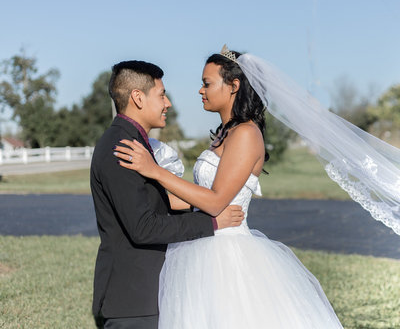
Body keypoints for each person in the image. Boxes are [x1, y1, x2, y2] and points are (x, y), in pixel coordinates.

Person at [113, 49, 345, 328]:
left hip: (228, 254)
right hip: (200, 245)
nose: (200, 90)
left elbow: (214, 202)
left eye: (207, 83)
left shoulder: (246, 134)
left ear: (233, 86)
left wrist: (154, 171)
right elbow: (198, 200)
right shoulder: (224, 133)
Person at [90, 60, 245, 329]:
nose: (168, 103)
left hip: (148, 296)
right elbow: (144, 227)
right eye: (161, 95)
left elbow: (155, 203)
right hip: (133, 301)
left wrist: (205, 202)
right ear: (138, 98)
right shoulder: (122, 149)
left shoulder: (135, 143)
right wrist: (212, 222)